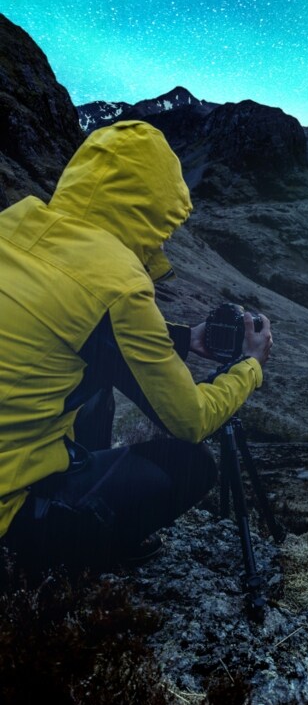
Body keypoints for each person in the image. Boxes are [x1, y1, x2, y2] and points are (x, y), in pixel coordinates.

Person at [0, 119, 272, 570]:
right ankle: (70, 550)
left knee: (95, 388)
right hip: (11, 513)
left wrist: (187, 339)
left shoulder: (13, 224)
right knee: (192, 465)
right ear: (150, 211)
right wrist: (250, 365)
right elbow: (189, 420)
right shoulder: (120, 283)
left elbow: (68, 319)